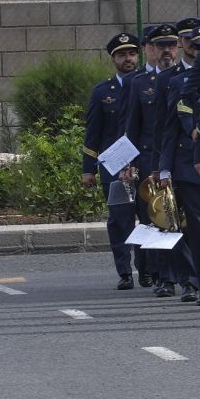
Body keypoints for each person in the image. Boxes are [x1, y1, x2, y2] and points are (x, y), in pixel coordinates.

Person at [159, 23, 200, 306]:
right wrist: (163, 168)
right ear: (187, 46)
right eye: (198, 47)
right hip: (190, 164)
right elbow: (168, 129)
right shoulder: (175, 81)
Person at [119, 23, 180, 295]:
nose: (166, 51)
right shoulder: (139, 83)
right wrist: (129, 162)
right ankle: (162, 275)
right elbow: (131, 126)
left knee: (183, 218)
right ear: (150, 49)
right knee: (156, 218)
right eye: (160, 46)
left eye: (171, 45)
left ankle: (186, 273)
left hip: (182, 157)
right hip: (149, 159)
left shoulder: (187, 76)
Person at [81, 32, 142, 289]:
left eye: (131, 54)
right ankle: (125, 271)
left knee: (151, 216)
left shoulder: (149, 84)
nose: (127, 59)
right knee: (120, 218)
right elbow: (92, 133)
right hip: (114, 167)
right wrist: (88, 170)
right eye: (121, 55)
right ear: (113, 59)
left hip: (144, 162)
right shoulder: (103, 92)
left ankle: (149, 269)